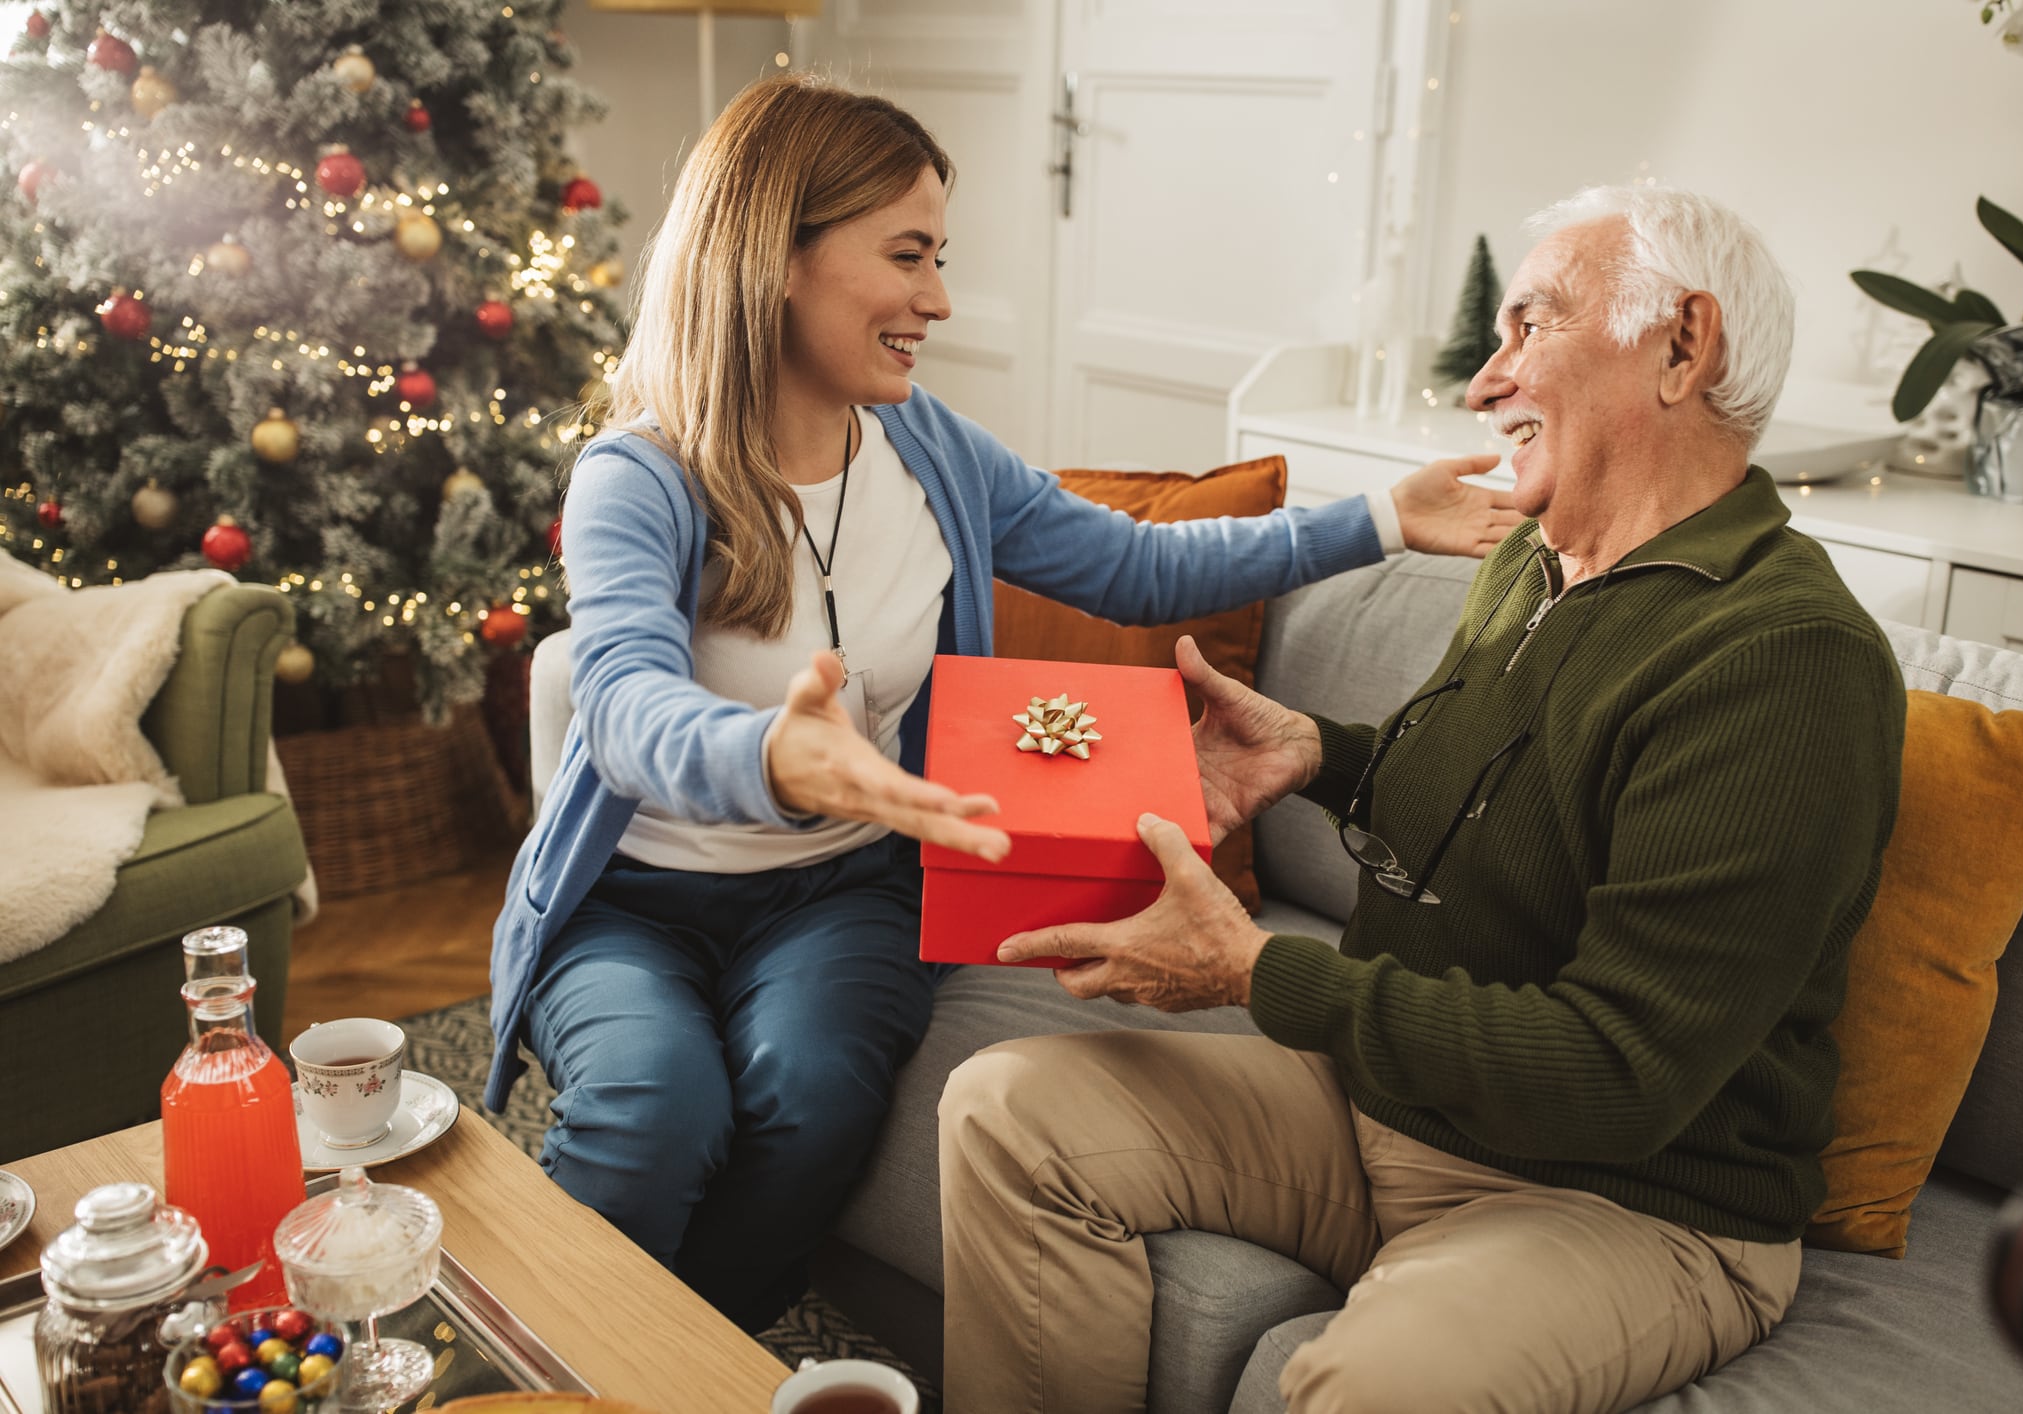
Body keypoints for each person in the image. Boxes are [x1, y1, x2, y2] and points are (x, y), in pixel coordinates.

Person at [480, 73, 1518, 1334]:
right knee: (656, 1106)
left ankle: (702, 1350)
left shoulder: (933, 455)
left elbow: (1136, 566)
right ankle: (531, 1354)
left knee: (809, 1088)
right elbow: (625, 701)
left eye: (942, 256)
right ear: (777, 258)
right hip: (634, 899)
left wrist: (1377, 519)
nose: (941, 299)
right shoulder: (638, 477)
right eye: (906, 255)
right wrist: (773, 752)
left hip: (841, 886)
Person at [937, 185, 1910, 1413]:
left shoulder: (1780, 659)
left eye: (1532, 327)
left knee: (1370, 1385)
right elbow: (1516, 804)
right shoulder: (1533, 555)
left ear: (1682, 345)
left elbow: (1621, 1070)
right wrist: (1320, 755)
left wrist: (1254, 974)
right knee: (1008, 1104)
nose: (1483, 382)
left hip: (1626, 1197)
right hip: (1393, 1109)